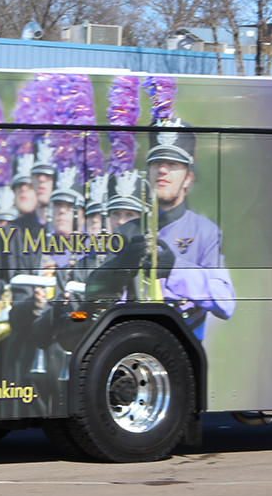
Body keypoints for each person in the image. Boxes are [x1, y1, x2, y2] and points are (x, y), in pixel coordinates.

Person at [88, 127, 234, 339]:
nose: (162, 170)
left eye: (172, 164)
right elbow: (92, 291)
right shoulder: (126, 231)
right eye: (156, 163)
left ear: (188, 178)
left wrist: (175, 270)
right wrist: (119, 269)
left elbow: (226, 302)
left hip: (182, 347)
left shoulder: (205, 231)